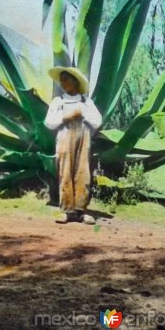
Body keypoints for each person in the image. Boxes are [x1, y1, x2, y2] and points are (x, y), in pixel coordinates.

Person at [44, 67, 103, 224]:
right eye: (61, 80)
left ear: (75, 82)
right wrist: (66, 117)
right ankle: (66, 211)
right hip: (64, 138)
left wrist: (83, 115)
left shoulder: (86, 102)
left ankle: (81, 210)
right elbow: (49, 122)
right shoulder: (58, 102)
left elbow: (97, 121)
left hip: (83, 139)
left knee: (83, 172)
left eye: (66, 79)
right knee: (65, 171)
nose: (63, 83)